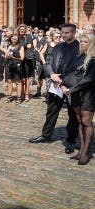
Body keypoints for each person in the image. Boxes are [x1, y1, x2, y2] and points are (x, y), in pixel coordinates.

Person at [29, 23, 80, 155]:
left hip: (70, 86)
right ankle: (46, 135)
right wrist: (51, 74)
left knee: (72, 115)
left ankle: (71, 140)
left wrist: (63, 82)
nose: (64, 35)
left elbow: (79, 69)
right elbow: (48, 62)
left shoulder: (80, 48)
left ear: (74, 33)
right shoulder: (57, 47)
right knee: (51, 110)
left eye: (67, 33)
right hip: (55, 84)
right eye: (62, 32)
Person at [64, 34, 95, 165]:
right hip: (76, 93)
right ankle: (81, 149)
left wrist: (71, 89)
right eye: (81, 41)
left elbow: (89, 79)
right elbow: (69, 71)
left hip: (89, 93)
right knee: (79, 121)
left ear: (92, 44)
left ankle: (86, 152)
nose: (82, 44)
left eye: (86, 42)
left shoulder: (93, 59)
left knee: (86, 121)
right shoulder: (79, 56)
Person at [3, 33, 24, 103]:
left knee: (18, 82)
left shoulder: (20, 46)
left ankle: (19, 97)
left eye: (15, 38)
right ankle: (9, 96)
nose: (13, 40)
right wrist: (7, 56)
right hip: (9, 65)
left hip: (17, 66)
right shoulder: (9, 46)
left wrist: (13, 57)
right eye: (12, 38)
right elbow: (6, 55)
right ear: (10, 39)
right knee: (9, 81)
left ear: (17, 39)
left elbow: (22, 58)